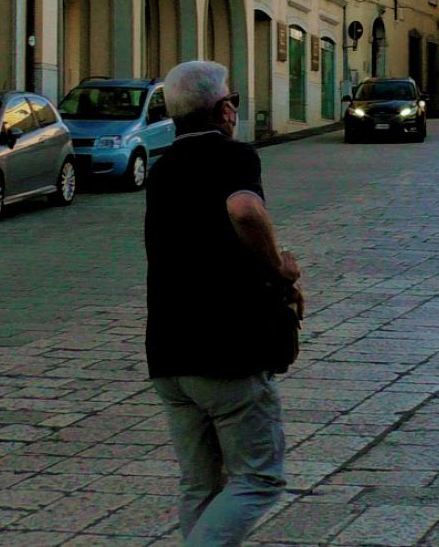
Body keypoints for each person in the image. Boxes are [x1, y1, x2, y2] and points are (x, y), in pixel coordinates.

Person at [146, 60, 303, 545]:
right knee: (259, 477)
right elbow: (244, 208)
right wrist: (279, 268)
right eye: (232, 99)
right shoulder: (233, 157)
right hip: (226, 351)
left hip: (169, 354)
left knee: (200, 483)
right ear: (224, 109)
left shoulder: (162, 167)